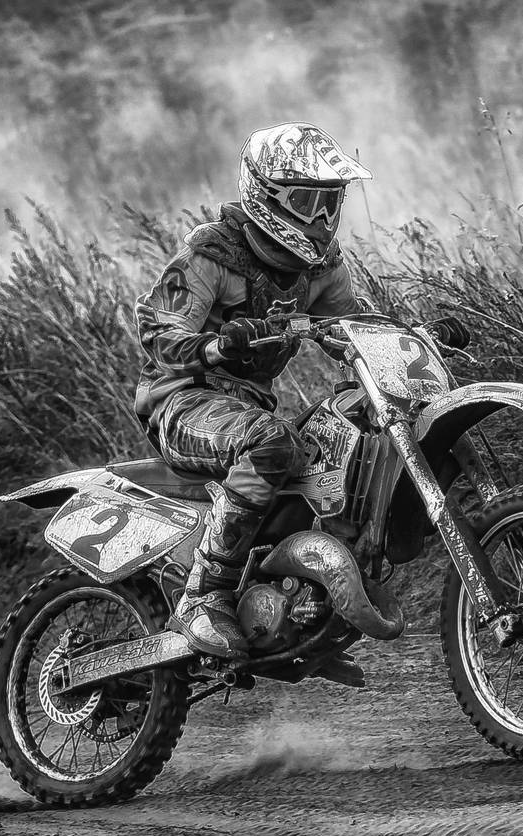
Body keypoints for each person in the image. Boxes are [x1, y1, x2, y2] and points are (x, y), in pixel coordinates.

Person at [133, 122, 372, 658]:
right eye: (308, 202)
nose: (321, 220)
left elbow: (351, 330)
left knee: (345, 431)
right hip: (180, 401)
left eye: (330, 204)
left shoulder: (320, 268)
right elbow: (158, 332)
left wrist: (412, 336)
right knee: (272, 442)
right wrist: (217, 345)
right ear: (265, 193)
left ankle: (299, 596)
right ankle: (203, 595)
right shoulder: (213, 255)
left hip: (247, 408)